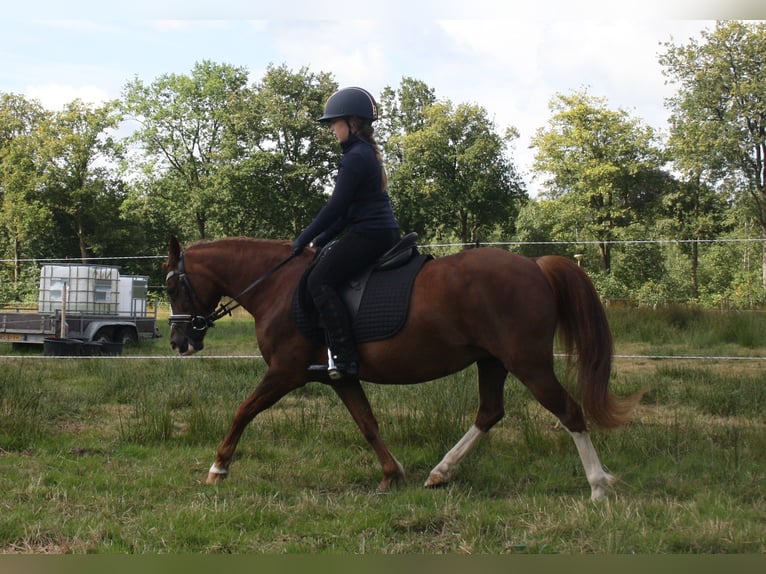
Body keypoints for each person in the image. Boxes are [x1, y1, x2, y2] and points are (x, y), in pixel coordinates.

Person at [292, 87, 401, 379]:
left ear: (351, 123)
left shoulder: (355, 157)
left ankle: (343, 357)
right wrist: (322, 238)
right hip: (377, 230)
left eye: (333, 123)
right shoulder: (363, 154)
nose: (331, 129)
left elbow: (336, 205)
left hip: (370, 234)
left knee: (319, 280)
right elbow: (349, 210)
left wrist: (303, 237)